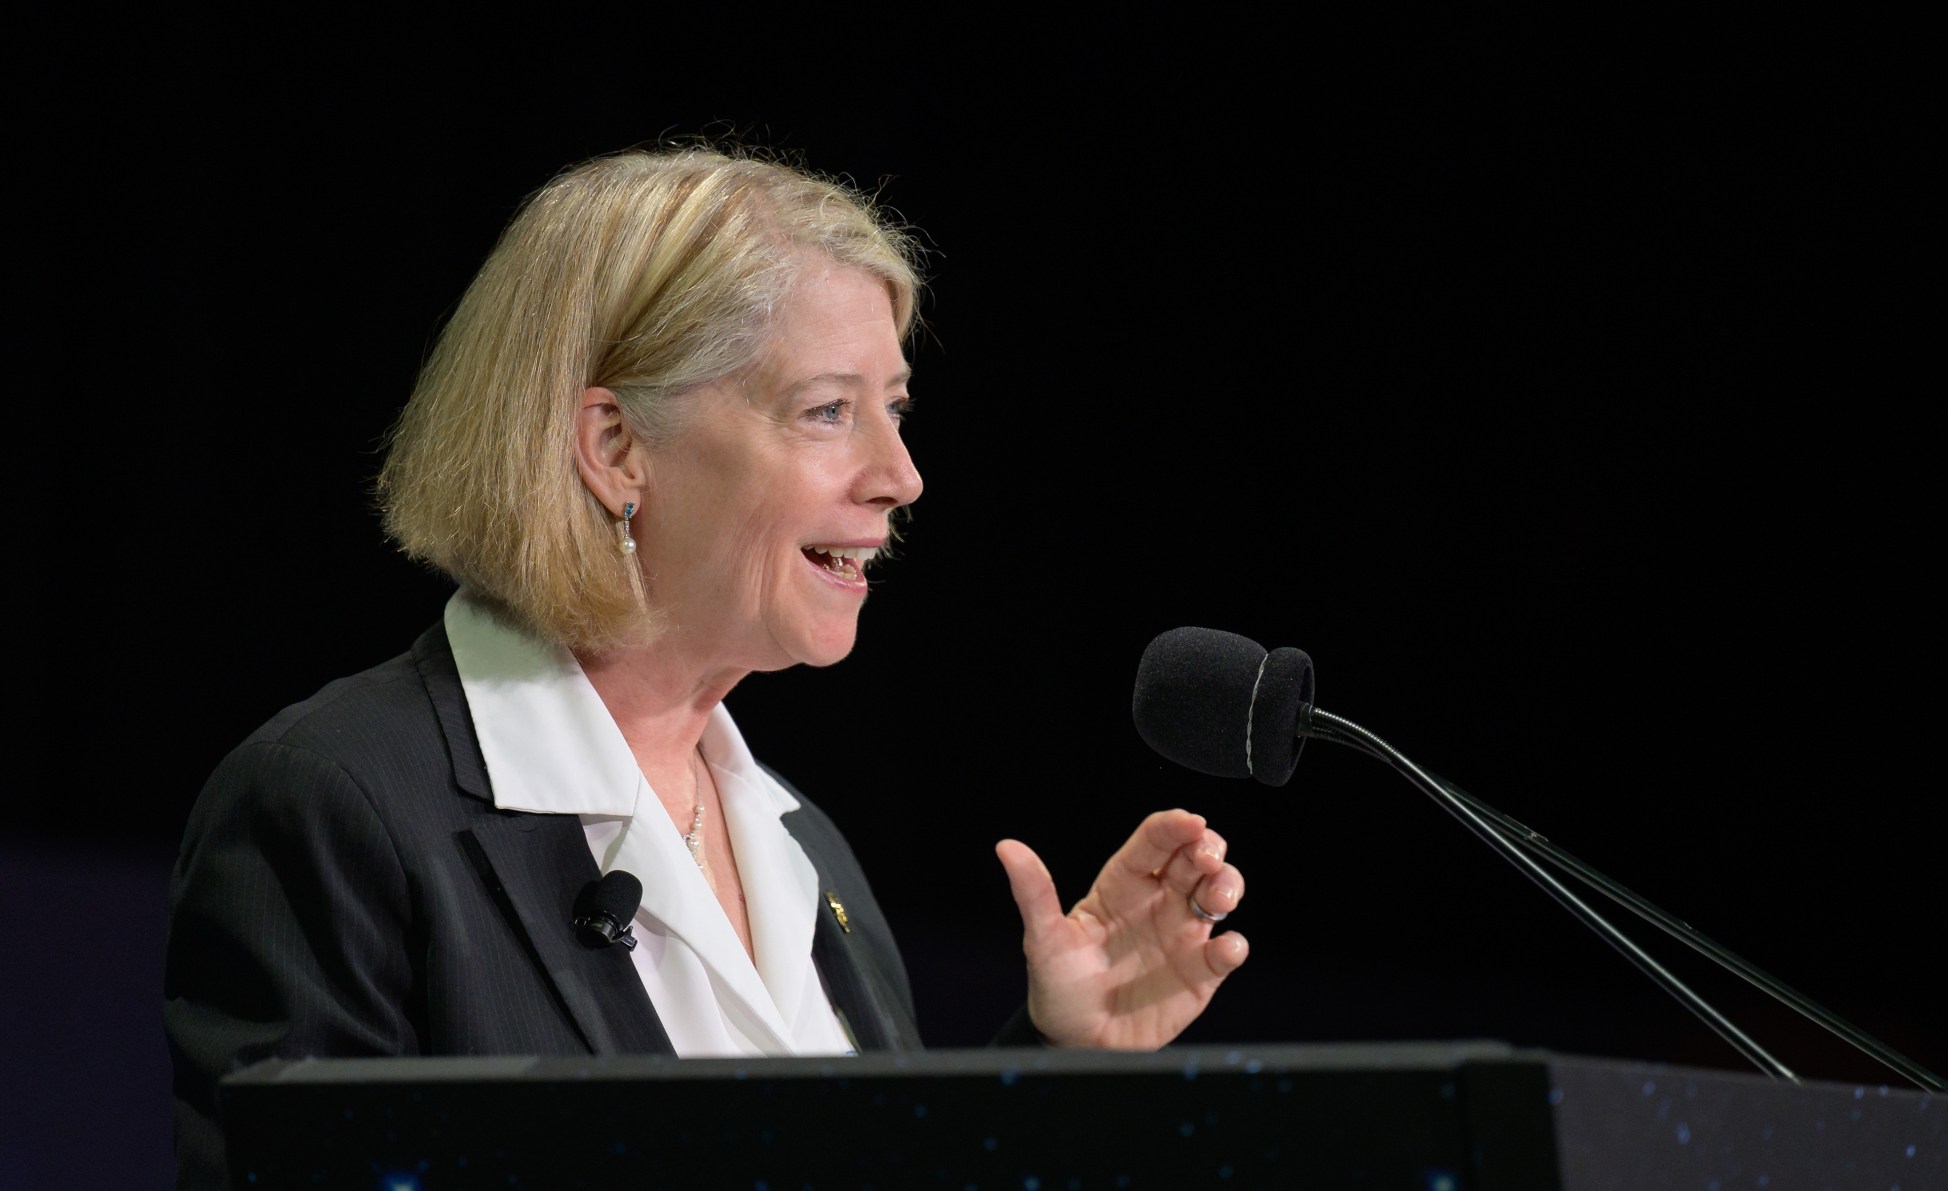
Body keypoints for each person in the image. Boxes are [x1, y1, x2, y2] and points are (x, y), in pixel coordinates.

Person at [164, 145, 1248, 1188]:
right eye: (827, 411)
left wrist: (1060, 1066)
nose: (901, 476)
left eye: (895, 409)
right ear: (615, 447)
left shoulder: (806, 856)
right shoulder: (334, 808)